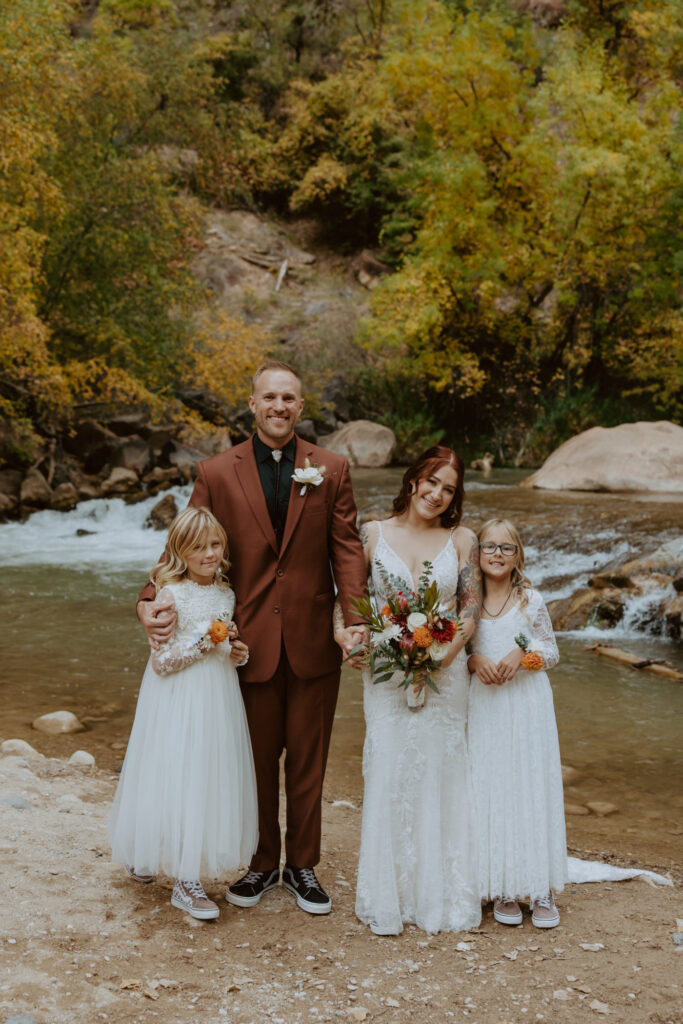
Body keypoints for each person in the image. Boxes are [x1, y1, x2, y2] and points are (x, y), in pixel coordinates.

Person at [137, 360, 367, 915]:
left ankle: (303, 866)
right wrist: (147, 601)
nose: (279, 406)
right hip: (243, 640)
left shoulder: (331, 467)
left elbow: (347, 547)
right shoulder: (217, 472)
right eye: (270, 397)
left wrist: (355, 618)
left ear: (301, 407)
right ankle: (263, 864)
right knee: (255, 760)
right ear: (253, 404)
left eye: (289, 398)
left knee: (309, 760)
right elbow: (182, 545)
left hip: (313, 638)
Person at [351, 445, 483, 935]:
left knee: (441, 771)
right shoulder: (372, 533)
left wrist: (443, 656)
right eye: (432, 482)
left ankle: (441, 895)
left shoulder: (463, 538)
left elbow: (469, 607)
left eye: (448, 489)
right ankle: (387, 896)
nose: (437, 494)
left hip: (446, 672)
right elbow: (350, 599)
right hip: (385, 671)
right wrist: (351, 642)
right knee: (387, 767)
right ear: (413, 480)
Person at [109, 506, 257, 920]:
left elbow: (224, 645)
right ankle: (185, 880)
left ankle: (162, 861)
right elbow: (162, 662)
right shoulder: (172, 593)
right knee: (175, 773)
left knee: (205, 776)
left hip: (216, 697)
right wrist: (205, 643)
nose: (209, 553)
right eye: (198, 547)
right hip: (177, 699)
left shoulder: (226, 594)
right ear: (180, 551)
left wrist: (235, 652)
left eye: (215, 545)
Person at [467, 518, 567, 929]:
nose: (496, 554)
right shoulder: (467, 602)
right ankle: (502, 885)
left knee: (529, 785)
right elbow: (460, 651)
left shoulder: (531, 599)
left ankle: (539, 886)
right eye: (489, 546)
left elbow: (552, 652)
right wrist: (475, 660)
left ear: (518, 556)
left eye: (506, 548)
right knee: (491, 786)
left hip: (526, 703)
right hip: (485, 704)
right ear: (477, 553)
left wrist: (520, 657)